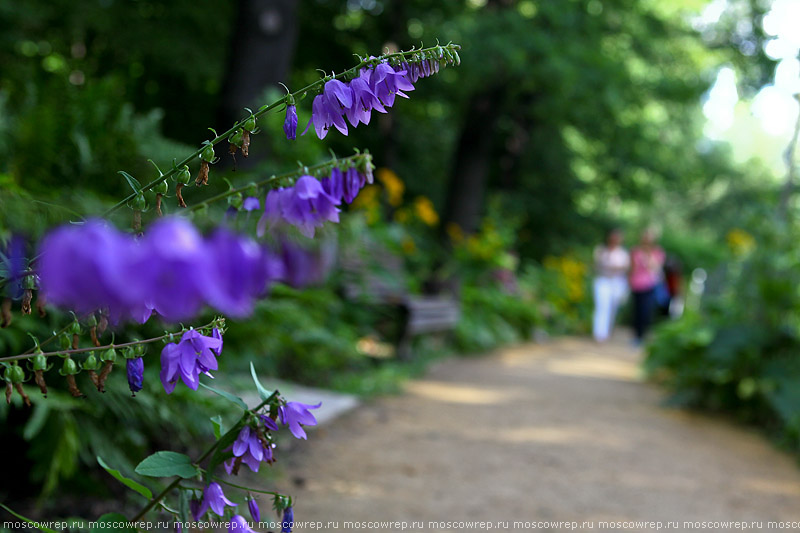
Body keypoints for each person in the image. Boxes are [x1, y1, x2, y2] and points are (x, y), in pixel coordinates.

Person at [592, 229, 629, 342]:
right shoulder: (601, 250)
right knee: (602, 306)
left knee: (613, 308)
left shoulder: (623, 253)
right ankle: (599, 334)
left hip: (617, 283)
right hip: (603, 281)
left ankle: (608, 330)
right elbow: (596, 265)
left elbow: (626, 268)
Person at [629, 228, 665, 344]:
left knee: (646, 311)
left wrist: (648, 256)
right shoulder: (636, 251)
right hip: (637, 285)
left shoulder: (658, 252)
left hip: (650, 285)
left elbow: (655, 268)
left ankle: (643, 335)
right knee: (637, 311)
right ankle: (637, 336)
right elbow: (633, 269)